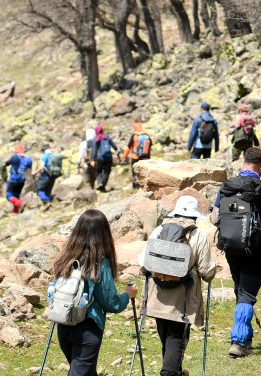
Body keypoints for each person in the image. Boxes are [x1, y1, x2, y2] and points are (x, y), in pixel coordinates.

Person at [50, 209, 138, 376]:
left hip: (63, 324)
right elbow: (111, 303)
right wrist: (128, 295)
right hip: (87, 330)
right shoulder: (99, 263)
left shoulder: (66, 259)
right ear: (104, 234)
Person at [141, 195, 218, 376]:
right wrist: (211, 274)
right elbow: (206, 269)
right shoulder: (197, 234)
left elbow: (144, 261)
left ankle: (172, 370)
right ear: (194, 216)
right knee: (177, 338)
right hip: (182, 298)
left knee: (166, 336)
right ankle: (169, 372)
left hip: (157, 293)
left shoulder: (159, 230)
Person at [212, 147, 261, 358]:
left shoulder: (227, 186)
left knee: (241, 290)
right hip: (256, 249)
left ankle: (246, 338)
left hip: (231, 247)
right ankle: (238, 341)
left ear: (243, 162)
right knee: (247, 294)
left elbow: (214, 218)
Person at [3, 145, 33, 214]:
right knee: (16, 196)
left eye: (15, 150)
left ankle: (20, 204)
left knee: (9, 196)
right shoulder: (29, 159)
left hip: (14, 180)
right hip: (22, 181)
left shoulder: (15, 157)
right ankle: (15, 212)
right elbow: (29, 171)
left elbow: (6, 163)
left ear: (17, 150)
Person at [89, 125, 118, 192]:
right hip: (109, 158)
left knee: (98, 172)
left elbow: (94, 150)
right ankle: (103, 186)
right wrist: (117, 151)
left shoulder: (96, 139)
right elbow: (114, 146)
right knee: (106, 172)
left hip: (100, 158)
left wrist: (93, 159)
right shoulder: (107, 137)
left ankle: (100, 183)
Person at [124, 123, 152, 189]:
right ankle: (145, 185)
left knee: (135, 172)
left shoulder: (134, 135)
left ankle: (135, 186)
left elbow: (128, 147)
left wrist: (125, 156)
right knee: (144, 172)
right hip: (145, 157)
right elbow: (150, 147)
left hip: (135, 157)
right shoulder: (147, 135)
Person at [36, 144, 62, 209]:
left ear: (43, 150)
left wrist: (35, 172)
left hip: (46, 175)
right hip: (54, 175)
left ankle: (47, 202)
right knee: (48, 190)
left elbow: (42, 166)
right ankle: (50, 204)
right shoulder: (54, 155)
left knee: (40, 190)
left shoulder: (44, 156)